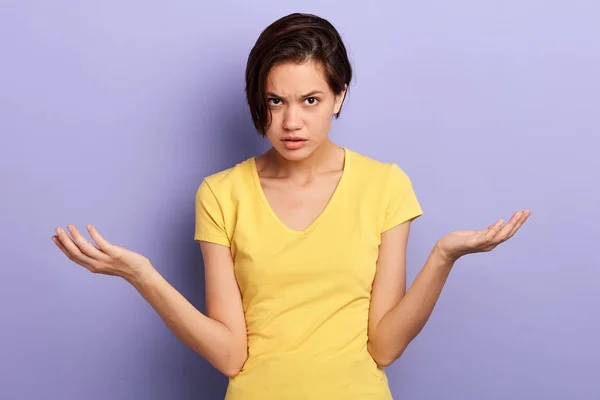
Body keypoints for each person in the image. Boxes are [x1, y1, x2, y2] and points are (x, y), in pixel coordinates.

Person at [51, 12, 530, 400]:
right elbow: (230, 356)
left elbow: (384, 347)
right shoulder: (221, 193)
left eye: (311, 100)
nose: (290, 121)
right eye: (275, 101)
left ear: (339, 97)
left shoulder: (385, 185)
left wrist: (443, 256)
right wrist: (144, 276)